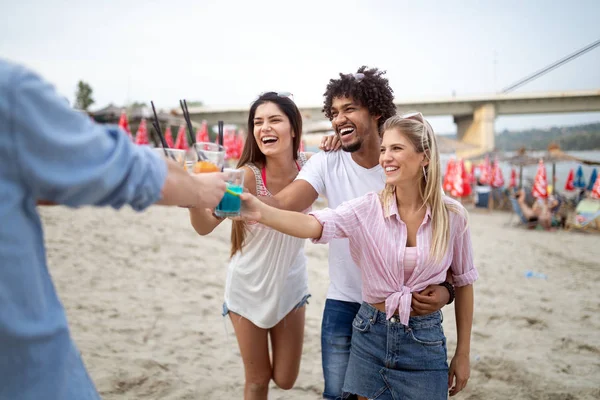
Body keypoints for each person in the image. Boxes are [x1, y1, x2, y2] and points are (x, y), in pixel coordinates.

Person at [0, 59, 227, 400]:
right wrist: (198, 189)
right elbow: (124, 170)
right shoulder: (9, 91)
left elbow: (44, 188)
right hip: (31, 376)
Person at [238, 112, 478, 399]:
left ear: (424, 157)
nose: (386, 157)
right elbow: (312, 224)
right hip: (370, 334)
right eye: (384, 149)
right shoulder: (367, 208)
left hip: (424, 343)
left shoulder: (453, 216)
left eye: (397, 149)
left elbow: (463, 283)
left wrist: (462, 353)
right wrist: (257, 210)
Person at [188, 92, 317, 400]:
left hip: (290, 286)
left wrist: (332, 143)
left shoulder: (311, 167)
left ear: (294, 128)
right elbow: (205, 226)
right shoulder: (245, 176)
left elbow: (347, 163)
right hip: (248, 288)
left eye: (274, 120)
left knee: (286, 379)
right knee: (258, 381)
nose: (264, 128)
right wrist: (193, 197)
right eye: (258, 122)